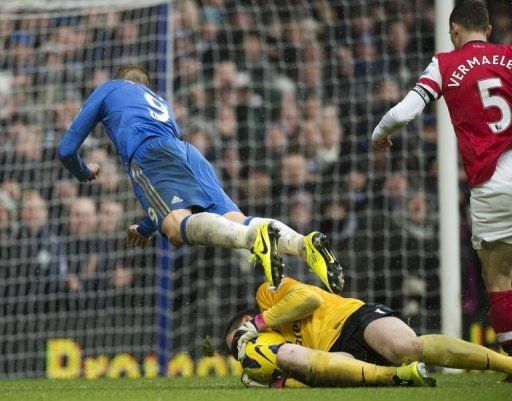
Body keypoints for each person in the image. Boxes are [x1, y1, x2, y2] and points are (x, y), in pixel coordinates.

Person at [57, 65, 343, 293]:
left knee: (176, 230)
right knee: (234, 219)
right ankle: (303, 245)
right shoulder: (161, 103)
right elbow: (168, 191)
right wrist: (145, 227)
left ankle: (254, 240)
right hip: (188, 151)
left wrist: (85, 171)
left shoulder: (109, 89)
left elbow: (65, 150)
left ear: (121, 81)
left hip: (148, 154)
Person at [371, 1, 512, 357]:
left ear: (453, 31)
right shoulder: (509, 56)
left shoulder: (446, 63)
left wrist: (378, 135)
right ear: (489, 30)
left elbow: (405, 110)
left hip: (491, 183)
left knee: (498, 279)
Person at [226, 277, 512, 388]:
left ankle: (507, 364)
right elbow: (312, 381)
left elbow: (309, 299)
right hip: (341, 359)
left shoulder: (267, 294)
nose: (242, 348)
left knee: (405, 348)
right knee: (289, 355)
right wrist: (278, 383)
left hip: (354, 319)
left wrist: (259, 324)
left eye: (239, 338)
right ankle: (397, 378)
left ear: (248, 320)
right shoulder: (270, 354)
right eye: (235, 349)